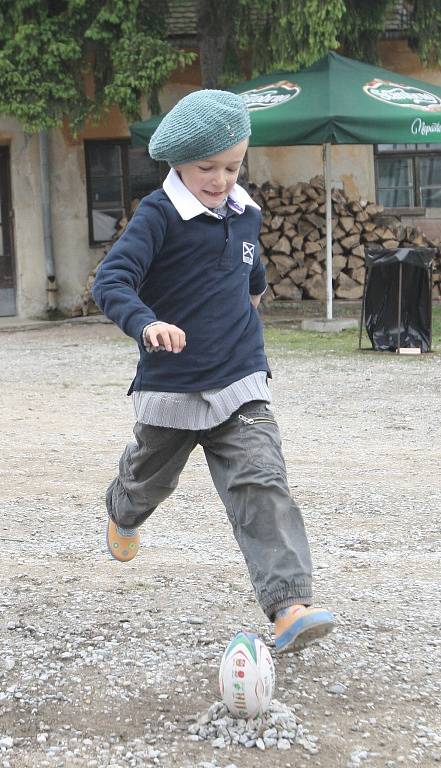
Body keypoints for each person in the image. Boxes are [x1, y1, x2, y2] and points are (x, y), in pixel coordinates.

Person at [92, 89, 334, 653]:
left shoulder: (246, 213)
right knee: (147, 481)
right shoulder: (158, 215)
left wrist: (247, 317)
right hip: (172, 386)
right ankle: (121, 511)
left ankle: (288, 606)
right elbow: (111, 282)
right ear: (179, 160)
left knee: (262, 484)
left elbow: (251, 279)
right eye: (208, 167)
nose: (222, 178)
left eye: (233, 165)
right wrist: (146, 324)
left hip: (240, 381)